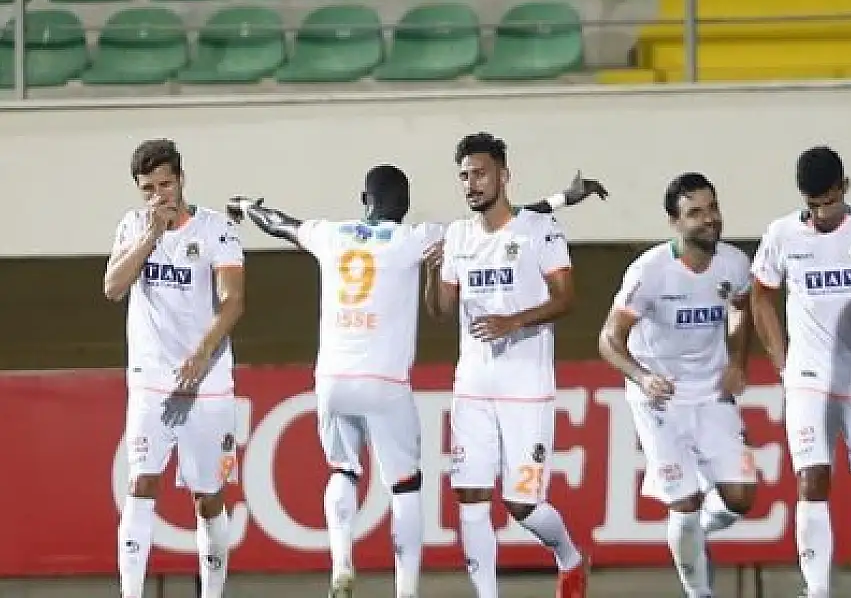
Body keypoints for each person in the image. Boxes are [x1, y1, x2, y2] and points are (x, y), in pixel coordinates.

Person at [230, 165, 606, 598]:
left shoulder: (330, 234)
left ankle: (341, 565)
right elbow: (499, 223)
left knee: (343, 470)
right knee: (404, 486)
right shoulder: (414, 238)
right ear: (406, 205)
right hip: (384, 382)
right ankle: (406, 590)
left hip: (331, 379)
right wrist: (563, 199)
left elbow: (280, 223)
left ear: (364, 198)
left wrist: (246, 206)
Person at [426, 133, 593, 598]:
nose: (471, 183)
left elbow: (566, 299)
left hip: (526, 388)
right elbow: (441, 312)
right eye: (464, 176)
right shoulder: (458, 237)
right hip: (472, 386)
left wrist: (513, 321)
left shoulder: (540, 229)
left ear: (503, 175)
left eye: (479, 173)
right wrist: (432, 273)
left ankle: (570, 558)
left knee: (522, 505)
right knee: (470, 496)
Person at [597, 172, 758, 598]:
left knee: (741, 498)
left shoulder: (734, 264)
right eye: (695, 213)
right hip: (660, 399)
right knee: (684, 502)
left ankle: (695, 533)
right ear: (675, 222)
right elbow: (608, 340)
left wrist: (738, 361)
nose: (709, 219)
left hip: (712, 393)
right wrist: (642, 377)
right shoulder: (649, 272)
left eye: (712, 208)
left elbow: (741, 309)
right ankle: (700, 592)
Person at [103, 139, 246, 598]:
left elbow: (233, 300)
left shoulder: (217, 230)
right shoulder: (133, 227)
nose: (158, 196)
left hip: (206, 381)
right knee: (142, 482)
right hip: (151, 380)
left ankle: (213, 591)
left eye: (165, 185)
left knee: (208, 497)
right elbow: (112, 287)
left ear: (182, 180)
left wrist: (202, 352)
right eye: (148, 189)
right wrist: (150, 237)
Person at [750, 147, 851, 598]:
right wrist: (782, 361)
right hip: (809, 377)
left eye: (829, 202)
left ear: (844, 188)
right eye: (813, 205)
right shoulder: (782, 234)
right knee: (812, 479)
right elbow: (760, 294)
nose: (821, 213)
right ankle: (817, 590)